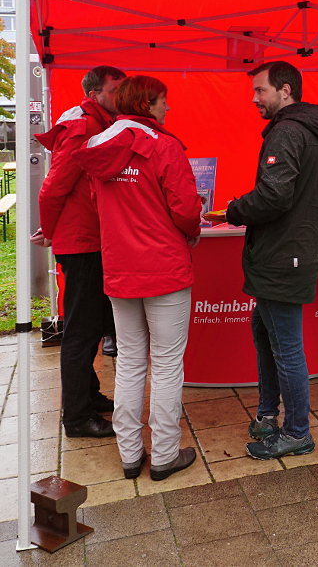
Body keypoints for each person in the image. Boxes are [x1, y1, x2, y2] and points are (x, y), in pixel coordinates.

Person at [75, 75, 202, 480]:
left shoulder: (97, 148)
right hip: (164, 270)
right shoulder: (164, 147)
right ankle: (164, 455)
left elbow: (98, 205)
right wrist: (192, 232)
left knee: (129, 363)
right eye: (164, 102)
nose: (169, 109)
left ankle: (130, 455)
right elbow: (186, 211)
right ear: (148, 104)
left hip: (121, 270)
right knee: (166, 365)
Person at [225, 61, 318, 460]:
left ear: (285, 91)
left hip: (281, 254)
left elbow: (274, 196)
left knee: (286, 346)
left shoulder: (288, 131)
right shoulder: (311, 129)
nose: (254, 98)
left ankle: (297, 431)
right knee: (265, 332)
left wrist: (234, 209)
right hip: (293, 249)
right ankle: (268, 414)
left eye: (261, 90)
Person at [31, 65, 125, 438]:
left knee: (90, 325)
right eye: (116, 89)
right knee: (81, 331)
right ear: (95, 93)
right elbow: (53, 187)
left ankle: (89, 395)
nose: (122, 95)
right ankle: (77, 417)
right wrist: (52, 230)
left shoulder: (96, 123)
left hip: (89, 240)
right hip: (82, 243)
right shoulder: (84, 126)